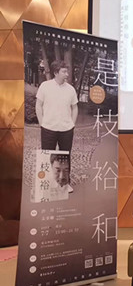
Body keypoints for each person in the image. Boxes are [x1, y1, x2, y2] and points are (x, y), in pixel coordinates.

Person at [35, 60, 78, 191]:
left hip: (66, 129)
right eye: (64, 71)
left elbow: (75, 107)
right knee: (47, 155)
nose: (67, 74)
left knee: (65, 156)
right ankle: (47, 183)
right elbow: (38, 105)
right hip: (48, 128)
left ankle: (65, 183)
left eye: (67, 71)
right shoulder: (45, 86)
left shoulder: (70, 89)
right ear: (55, 72)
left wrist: (72, 124)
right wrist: (42, 123)